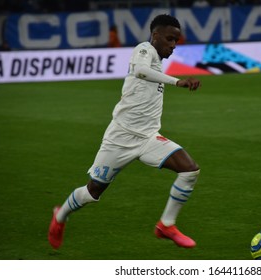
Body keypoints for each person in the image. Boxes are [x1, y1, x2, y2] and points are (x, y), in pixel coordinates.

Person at [48, 14, 202, 249]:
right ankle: (60, 217)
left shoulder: (158, 63)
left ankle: (166, 225)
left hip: (149, 137)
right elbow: (140, 71)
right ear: (155, 35)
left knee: (190, 170)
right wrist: (177, 81)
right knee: (93, 192)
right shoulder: (144, 49)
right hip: (120, 138)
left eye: (176, 41)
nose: (173, 45)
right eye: (170, 39)